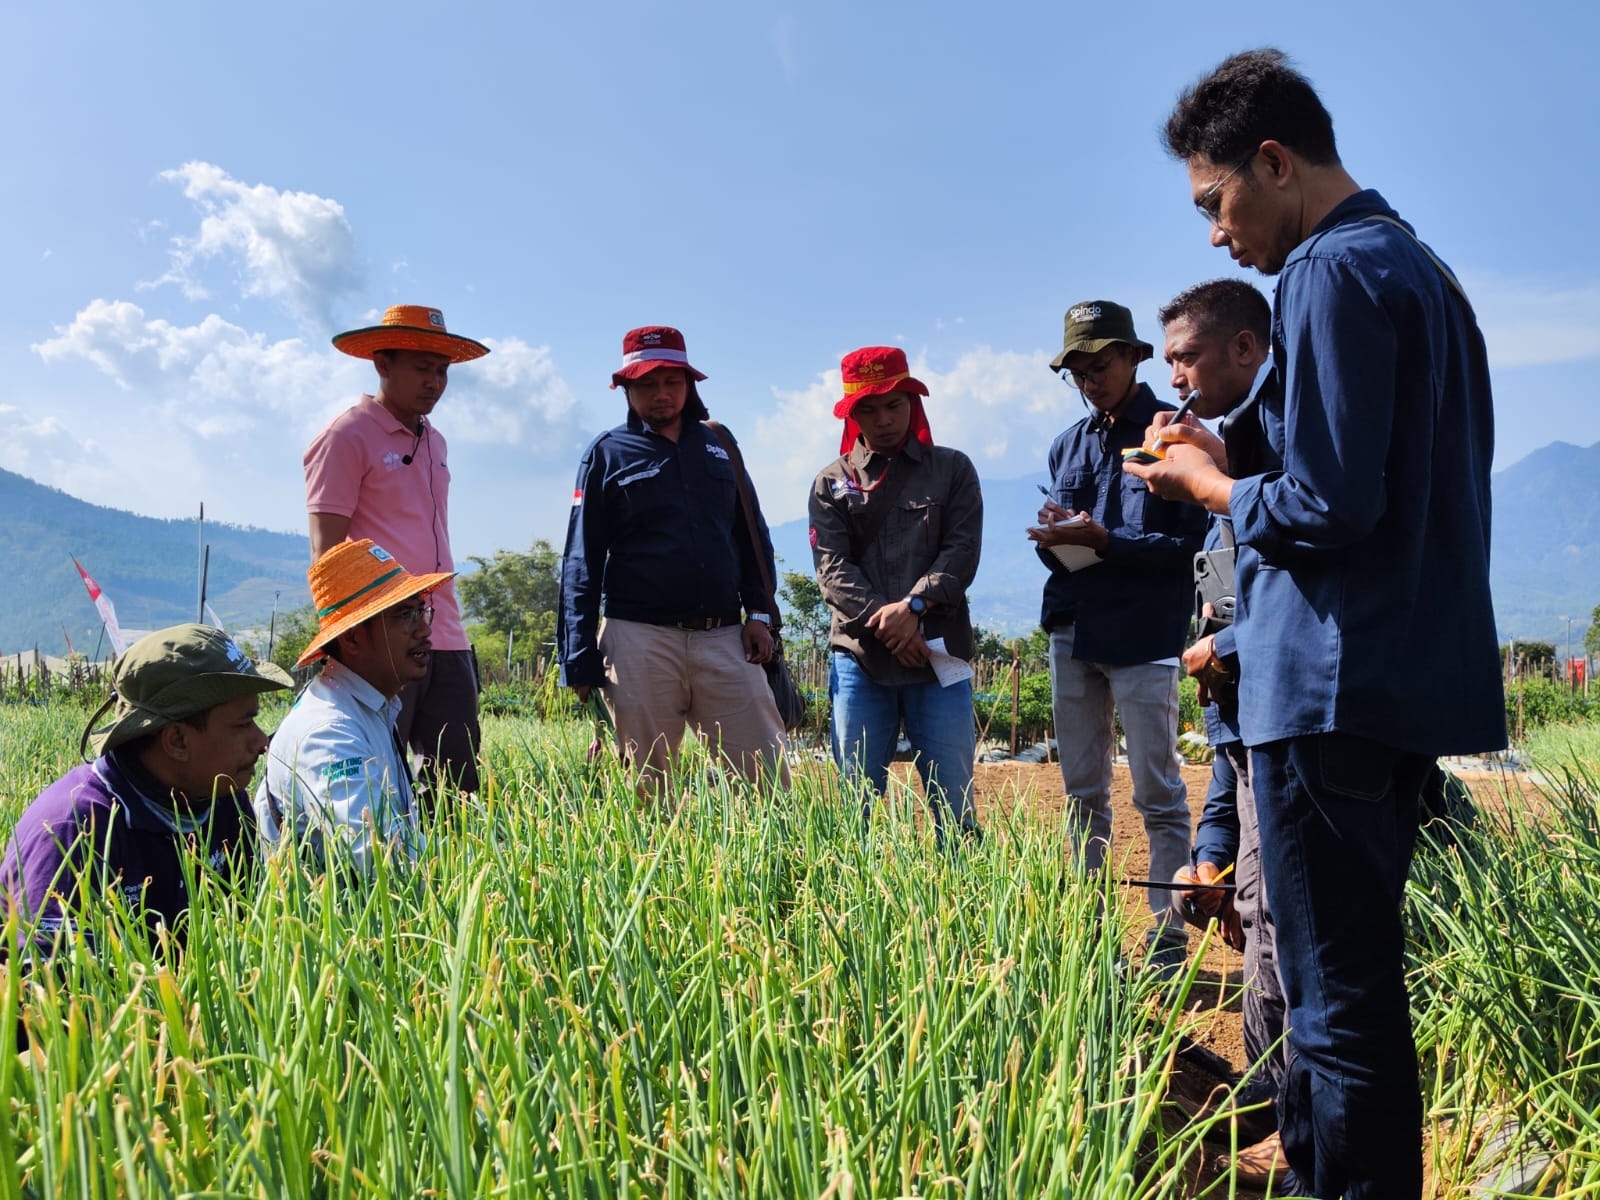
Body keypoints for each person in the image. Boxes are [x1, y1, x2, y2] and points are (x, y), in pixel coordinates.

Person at [1144, 49, 1507, 1198]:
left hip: (1328, 684)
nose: (1215, 235)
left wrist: (1211, 491)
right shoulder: (1422, 272)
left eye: (1216, 203)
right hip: (1401, 676)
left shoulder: (1324, 273)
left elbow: (1331, 502)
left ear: (1273, 160)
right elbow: (1371, 464)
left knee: (1327, 1001)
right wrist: (1232, 449)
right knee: (1354, 985)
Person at [1153, 278, 1290, 1186]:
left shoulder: (1283, 457)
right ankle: (1277, 1102)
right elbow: (1224, 741)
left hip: (1304, 740)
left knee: (1279, 924)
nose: (1179, 383)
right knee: (1250, 906)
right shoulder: (1227, 510)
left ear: (1246, 351)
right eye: (1170, 364)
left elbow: (1306, 606)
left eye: (1188, 359)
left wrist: (1228, 644)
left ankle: (1289, 1116)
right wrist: (1207, 849)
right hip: (1251, 744)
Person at [1030, 300, 1207, 974]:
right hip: (1072, 628)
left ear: (1134, 358)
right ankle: (1093, 936)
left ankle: (1166, 942)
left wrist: (1108, 540)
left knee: (1158, 792)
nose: (1089, 380)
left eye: (1100, 365)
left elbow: (1191, 545)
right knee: (1081, 792)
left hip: (1143, 634)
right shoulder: (1067, 444)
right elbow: (1064, 547)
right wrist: (1056, 538)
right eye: (1077, 370)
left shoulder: (1173, 435)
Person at [557, 325, 787, 797]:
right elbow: (581, 559)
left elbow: (751, 536)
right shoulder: (606, 454)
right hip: (639, 640)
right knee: (646, 786)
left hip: (724, 636)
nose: (662, 395)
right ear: (625, 389)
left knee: (768, 777)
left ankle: (777, 866)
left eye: (672, 382)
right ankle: (657, 867)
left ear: (689, 384)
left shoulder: (719, 444)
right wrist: (577, 654)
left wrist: (760, 613)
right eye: (647, 384)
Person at [1, 624, 291, 958]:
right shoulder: (71, 830)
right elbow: (41, 986)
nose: (262, 742)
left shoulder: (225, 799)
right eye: (243, 724)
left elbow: (247, 935)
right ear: (177, 741)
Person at [305, 304, 489, 800]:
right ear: (382, 364)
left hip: (445, 627)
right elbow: (327, 549)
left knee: (456, 781)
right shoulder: (347, 434)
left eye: (442, 371)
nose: (434, 382)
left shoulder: (435, 442)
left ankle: (452, 872)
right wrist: (348, 634)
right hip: (381, 630)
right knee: (377, 774)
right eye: (421, 368)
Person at [809, 346, 984, 845]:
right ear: (851, 413)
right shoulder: (830, 483)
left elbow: (962, 551)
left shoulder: (953, 470)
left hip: (938, 656)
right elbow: (832, 570)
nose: (884, 420)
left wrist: (915, 607)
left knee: (955, 805)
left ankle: (963, 900)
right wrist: (893, 628)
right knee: (854, 808)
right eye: (868, 408)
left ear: (913, 402)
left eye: (894, 405)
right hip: (860, 660)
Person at [256, 539, 453, 874]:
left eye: (421, 611)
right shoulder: (330, 731)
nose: (424, 629)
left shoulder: (369, 706)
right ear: (352, 639)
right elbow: (383, 866)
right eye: (405, 615)